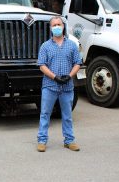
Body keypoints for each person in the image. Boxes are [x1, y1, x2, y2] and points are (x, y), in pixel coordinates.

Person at [36, 16, 82, 152]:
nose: (57, 27)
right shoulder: (45, 46)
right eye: (54, 25)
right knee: (45, 113)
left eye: (59, 24)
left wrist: (69, 76)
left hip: (67, 87)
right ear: (50, 28)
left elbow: (77, 63)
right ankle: (42, 140)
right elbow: (41, 65)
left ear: (63, 26)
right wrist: (54, 77)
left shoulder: (72, 45)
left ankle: (69, 140)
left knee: (67, 115)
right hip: (50, 86)